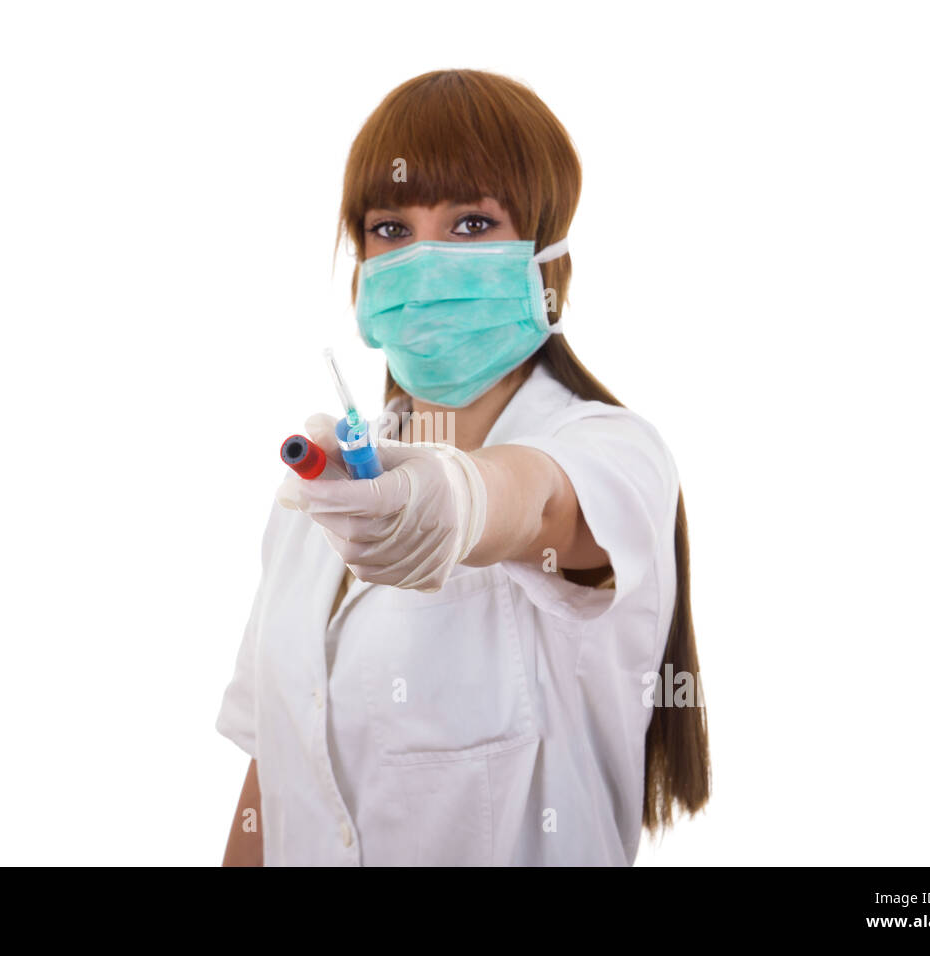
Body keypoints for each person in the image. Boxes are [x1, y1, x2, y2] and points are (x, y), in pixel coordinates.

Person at [217, 69, 710, 866]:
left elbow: (541, 502)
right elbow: (275, 775)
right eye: (391, 229)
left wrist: (457, 497)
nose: (426, 261)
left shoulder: (616, 452)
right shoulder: (318, 498)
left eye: (474, 224)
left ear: (548, 259)